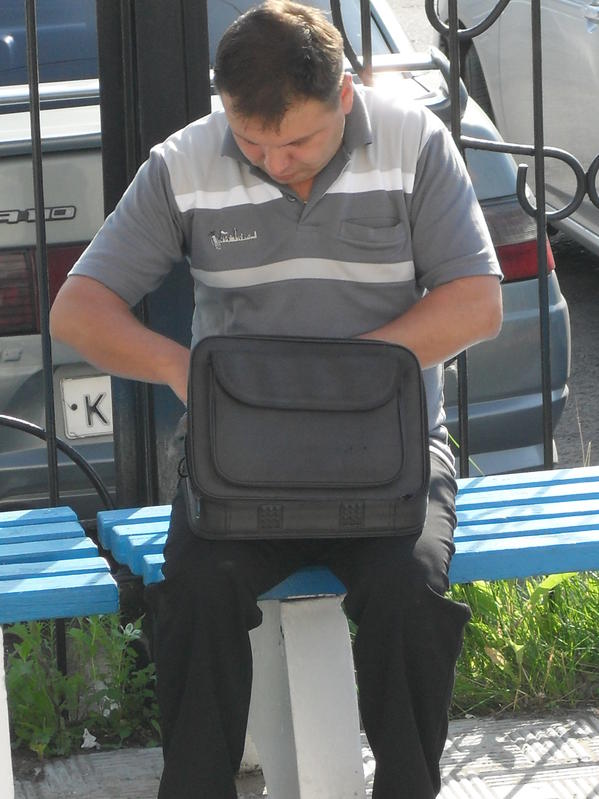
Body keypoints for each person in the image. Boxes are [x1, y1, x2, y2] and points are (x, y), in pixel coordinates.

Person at [50, 2, 503, 796]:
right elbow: (78, 311)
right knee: (194, 594)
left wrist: (334, 383)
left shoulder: (414, 142)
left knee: (407, 593)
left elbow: (476, 303)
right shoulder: (184, 161)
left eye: (297, 141)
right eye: (251, 141)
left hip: (388, 457)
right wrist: (183, 371)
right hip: (239, 468)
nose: (274, 161)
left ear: (344, 96)